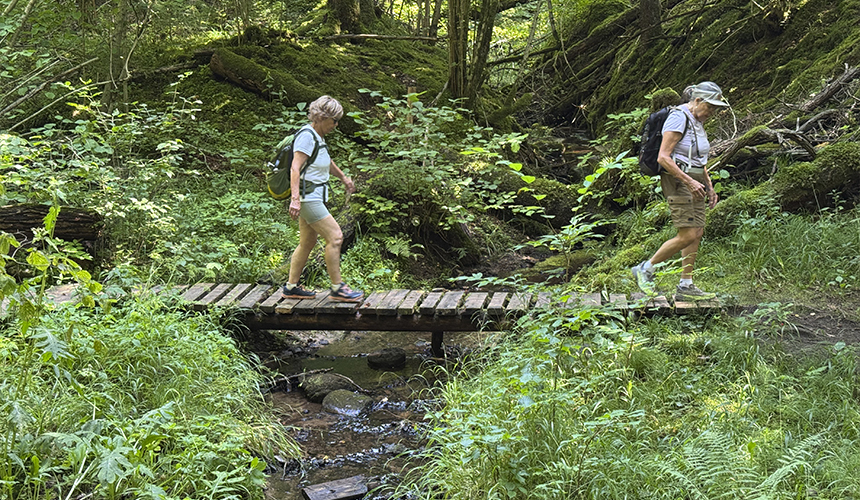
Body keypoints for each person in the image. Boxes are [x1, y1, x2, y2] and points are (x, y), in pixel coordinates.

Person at [631, 81, 730, 301]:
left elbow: (699, 158)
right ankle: (645, 269)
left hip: (695, 180)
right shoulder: (679, 118)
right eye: (710, 106)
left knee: (698, 232)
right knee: (687, 234)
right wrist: (689, 182)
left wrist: (708, 184)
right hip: (678, 180)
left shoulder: (697, 120)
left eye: (715, 108)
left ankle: (686, 285)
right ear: (697, 100)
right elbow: (663, 157)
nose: (712, 112)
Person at [280, 95, 363, 302]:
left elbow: (325, 160)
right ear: (321, 117)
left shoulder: (318, 137)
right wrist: (295, 199)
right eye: (334, 120)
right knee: (335, 237)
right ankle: (337, 289)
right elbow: (295, 167)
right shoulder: (307, 135)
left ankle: (291, 287)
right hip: (309, 198)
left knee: (307, 242)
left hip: (314, 196)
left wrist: (343, 177)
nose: (336, 124)